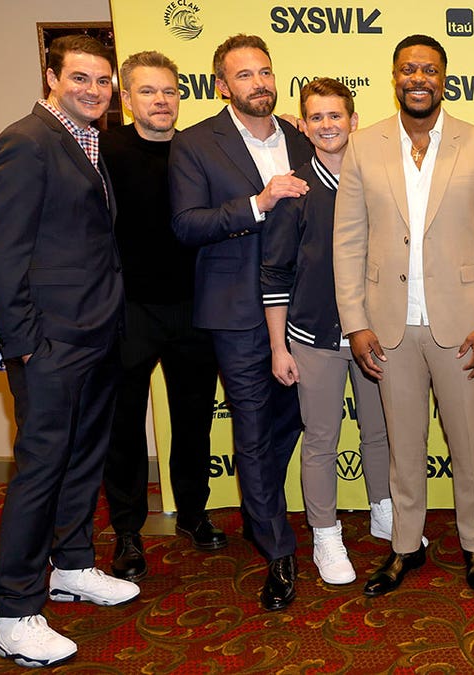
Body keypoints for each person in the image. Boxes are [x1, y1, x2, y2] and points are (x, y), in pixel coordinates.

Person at [333, 34, 474, 596]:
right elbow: (348, 241)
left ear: (444, 77)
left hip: (461, 326)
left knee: (467, 445)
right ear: (395, 77)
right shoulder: (364, 146)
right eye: (408, 69)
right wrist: (355, 321)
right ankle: (405, 548)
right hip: (388, 325)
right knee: (401, 445)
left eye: (429, 70)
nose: (419, 78)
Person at [0, 34, 138, 667]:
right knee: (41, 470)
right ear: (51, 77)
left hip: (97, 336)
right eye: (80, 78)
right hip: (49, 345)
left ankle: (70, 564)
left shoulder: (89, 143)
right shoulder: (25, 142)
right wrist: (26, 346)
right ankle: (13, 611)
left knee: (82, 460)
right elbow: (0, 252)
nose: (93, 90)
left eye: (103, 81)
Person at [169, 34, 313, 612]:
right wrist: (258, 202)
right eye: (244, 75)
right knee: (252, 427)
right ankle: (278, 548)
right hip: (237, 313)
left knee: (298, 418)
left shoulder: (301, 138)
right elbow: (186, 224)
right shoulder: (196, 143)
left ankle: (261, 507)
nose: (259, 83)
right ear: (223, 85)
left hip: (303, 311)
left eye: (265, 71)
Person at [260, 78, 395, 586]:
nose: (327, 125)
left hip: (372, 336)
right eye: (316, 117)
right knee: (320, 438)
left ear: (354, 121)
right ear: (304, 124)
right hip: (312, 337)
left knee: (379, 432)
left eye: (336, 116)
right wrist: (278, 346)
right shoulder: (294, 190)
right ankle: (325, 533)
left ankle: (383, 510)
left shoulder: (378, 183)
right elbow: (273, 275)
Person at [100, 50, 223, 584]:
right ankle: (127, 531)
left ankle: (193, 515)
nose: (161, 101)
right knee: (123, 424)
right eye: (148, 92)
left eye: (170, 91)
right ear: (127, 99)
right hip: (128, 309)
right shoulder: (103, 150)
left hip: (195, 307)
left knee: (194, 418)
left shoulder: (197, 150)